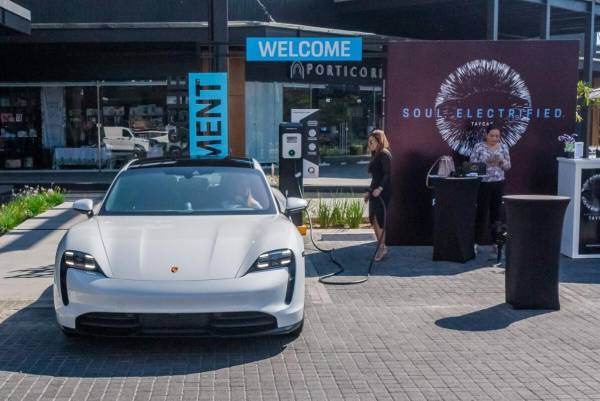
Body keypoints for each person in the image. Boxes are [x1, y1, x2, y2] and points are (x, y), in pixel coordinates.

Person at [470, 125, 511, 258]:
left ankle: (496, 245)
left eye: (497, 136)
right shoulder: (479, 147)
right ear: (486, 135)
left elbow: (508, 166)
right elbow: (472, 165)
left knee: (496, 215)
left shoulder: (504, 147)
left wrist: (501, 161)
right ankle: (475, 244)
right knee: (481, 214)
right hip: (483, 184)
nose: (494, 138)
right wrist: (485, 163)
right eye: (492, 135)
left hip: (498, 184)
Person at [364, 129, 392, 261]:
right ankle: (381, 245)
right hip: (374, 191)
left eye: (372, 142)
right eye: (369, 142)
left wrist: (380, 189)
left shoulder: (384, 154)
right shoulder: (376, 154)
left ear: (379, 141)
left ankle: (382, 247)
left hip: (383, 192)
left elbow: (387, 174)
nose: (369, 144)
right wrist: (369, 192)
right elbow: (375, 177)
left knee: (379, 219)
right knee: (373, 218)